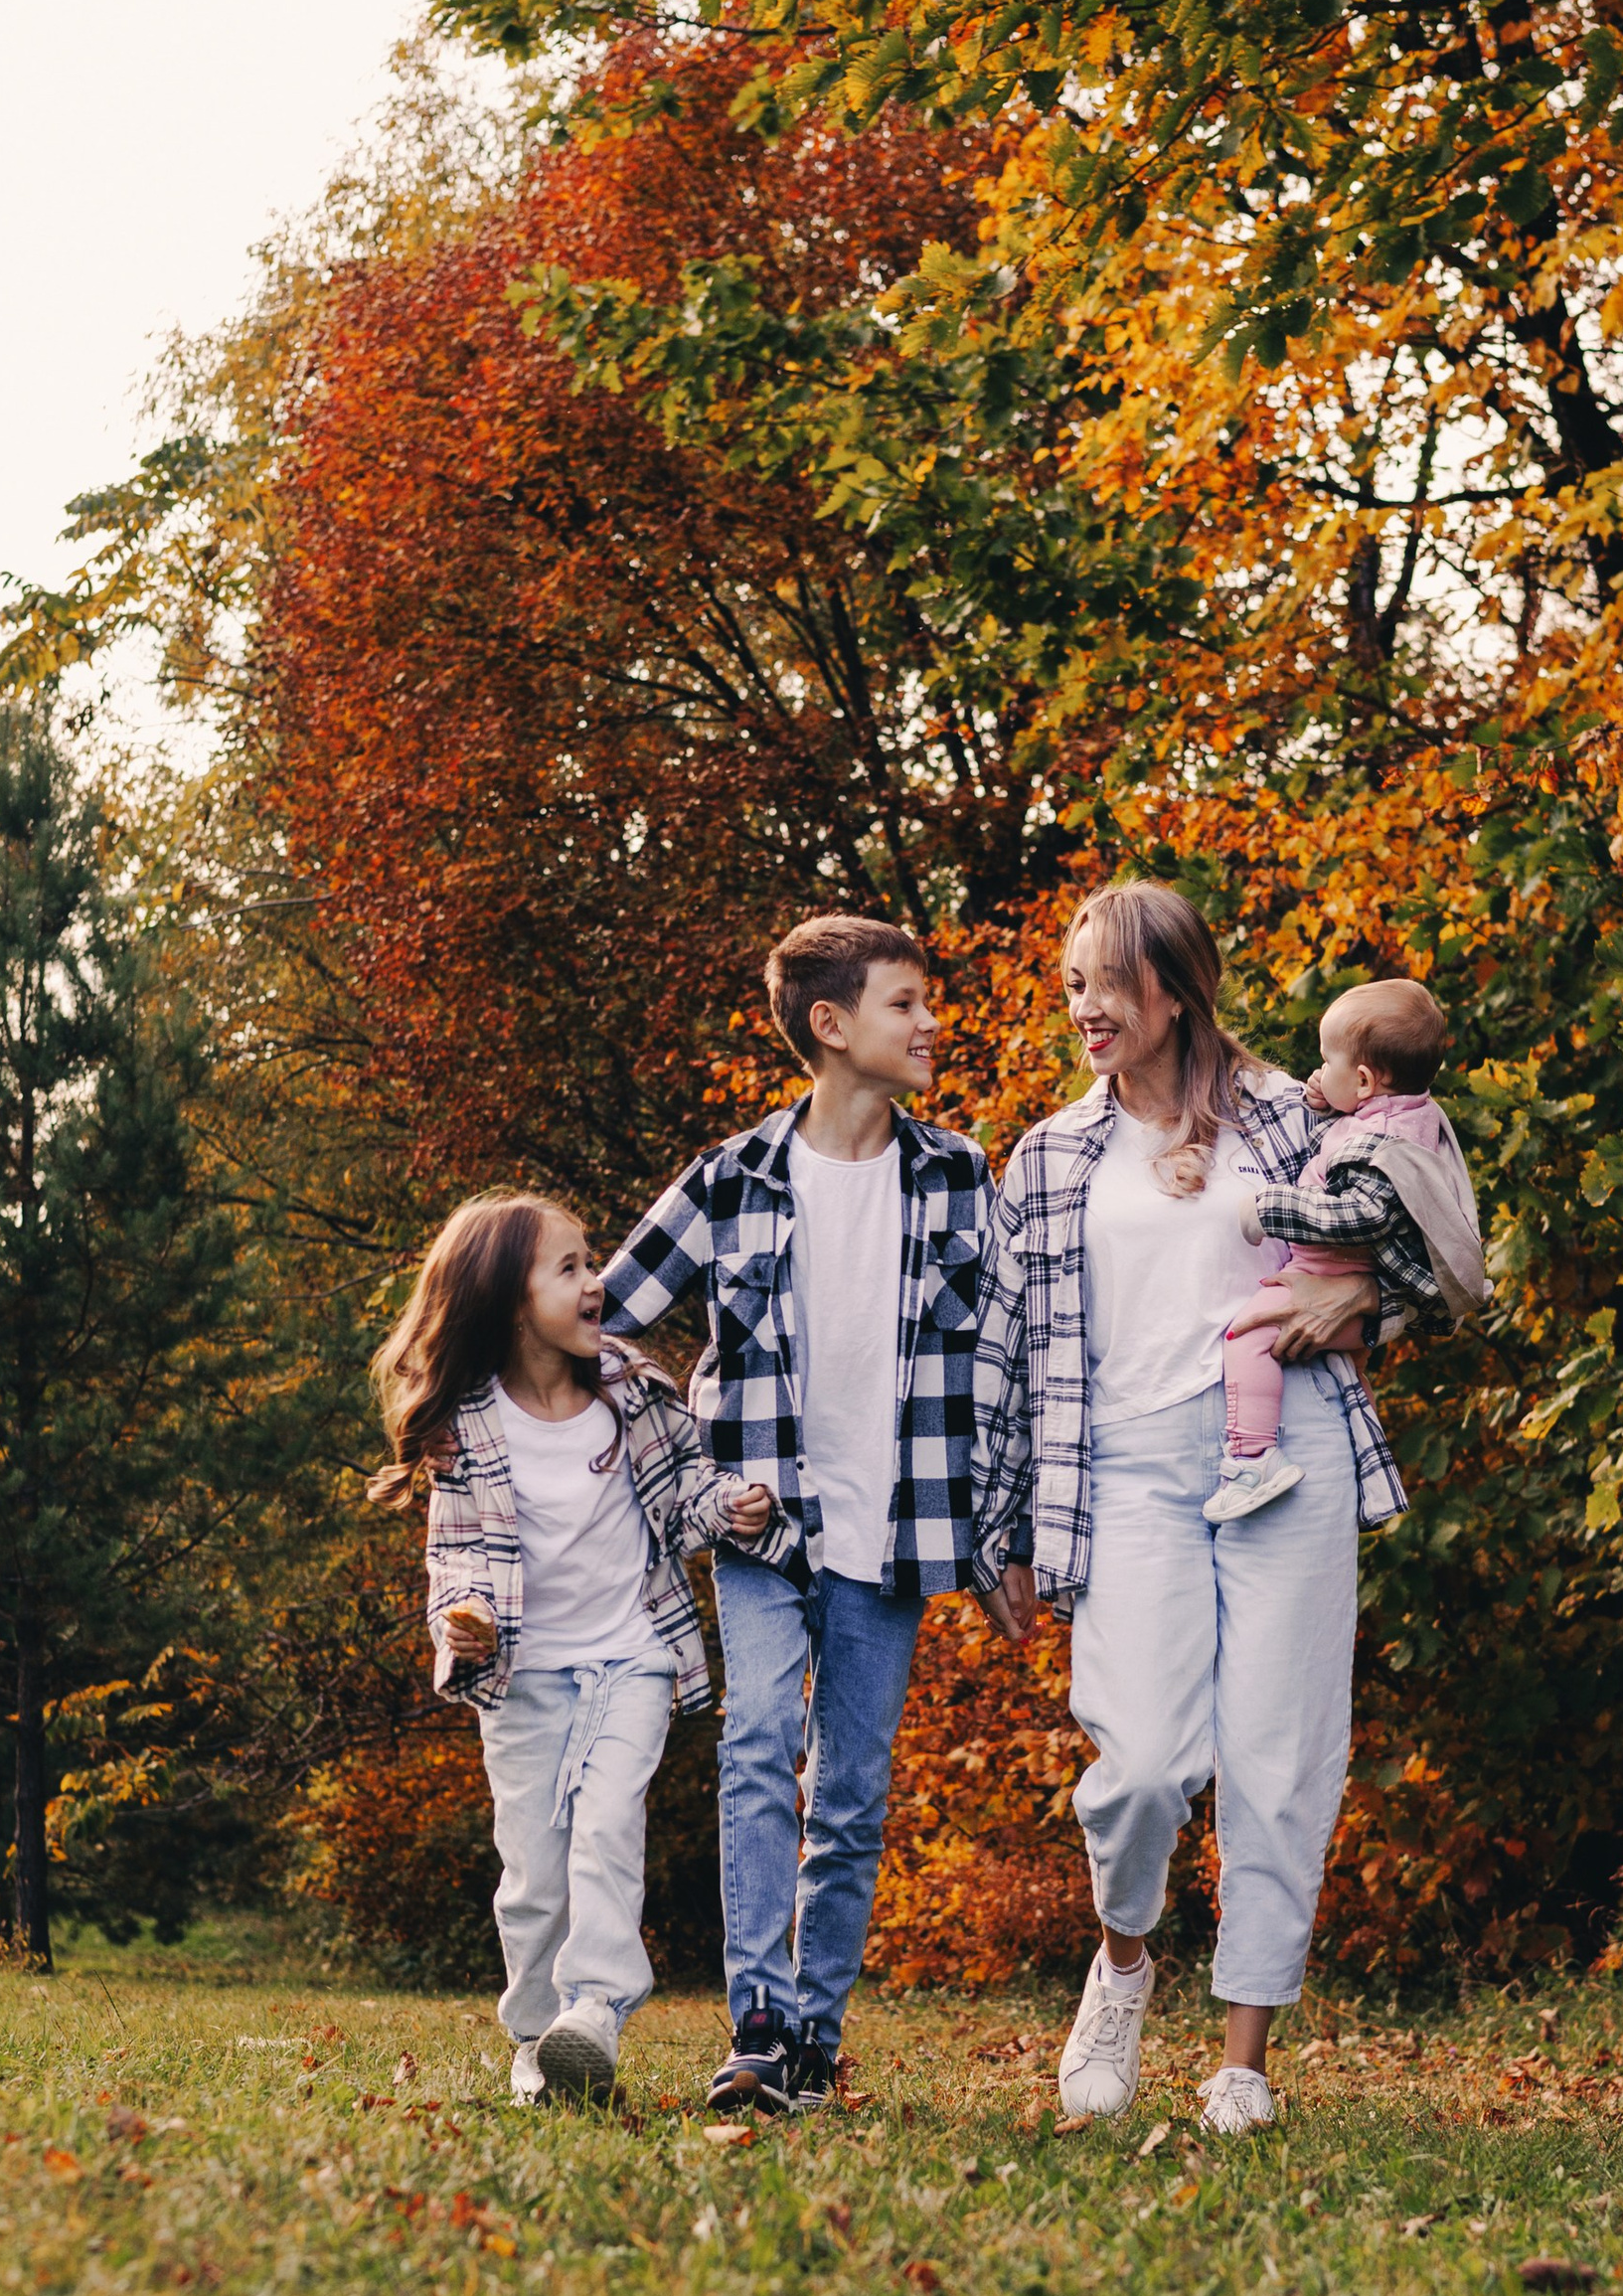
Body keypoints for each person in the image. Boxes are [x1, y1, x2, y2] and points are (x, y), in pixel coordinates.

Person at [969, 886, 1433, 2134]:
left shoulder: (1293, 1115)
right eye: (1070, 985)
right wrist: (998, 1527)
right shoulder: (1052, 1156)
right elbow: (1009, 1356)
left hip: (1290, 1454)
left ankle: (1244, 2060)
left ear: (1171, 989)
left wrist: (1364, 1311)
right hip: (1121, 1470)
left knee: (1281, 1761)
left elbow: (1423, 1240)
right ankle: (1121, 1969)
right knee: (1143, 1769)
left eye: (1104, 984)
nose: (1082, 1008)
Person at [601, 915, 993, 2118]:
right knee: (759, 1744)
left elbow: (1006, 1355)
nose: (930, 1023)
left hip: (897, 1532)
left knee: (855, 1791)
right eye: (904, 1003)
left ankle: (814, 2036)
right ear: (830, 1026)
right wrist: (687, 1456)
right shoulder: (730, 1178)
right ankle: (759, 2024)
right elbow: (605, 1316)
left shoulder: (957, 1174)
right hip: (765, 1529)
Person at [369, 1192, 777, 2109]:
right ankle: (534, 2044)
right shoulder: (467, 1426)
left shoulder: (631, 1389)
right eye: (569, 1269)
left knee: (605, 1830)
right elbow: (458, 1555)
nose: (597, 1283)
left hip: (633, 1655)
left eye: (591, 1263)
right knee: (534, 1873)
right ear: (511, 1301)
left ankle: (594, 2009)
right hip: (521, 1677)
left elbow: (682, 1497)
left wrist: (730, 1509)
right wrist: (464, 1616)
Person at [1209, 975, 1492, 1523]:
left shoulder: (1385, 1146)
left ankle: (1252, 1458)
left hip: (1323, 1277)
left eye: (1326, 1062)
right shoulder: (1403, 1113)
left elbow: (1361, 1214)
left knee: (1245, 1339)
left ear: (1364, 1080)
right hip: (1341, 1288)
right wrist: (1328, 1099)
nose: (1316, 1073)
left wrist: (1269, 1208)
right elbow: (1351, 1126)